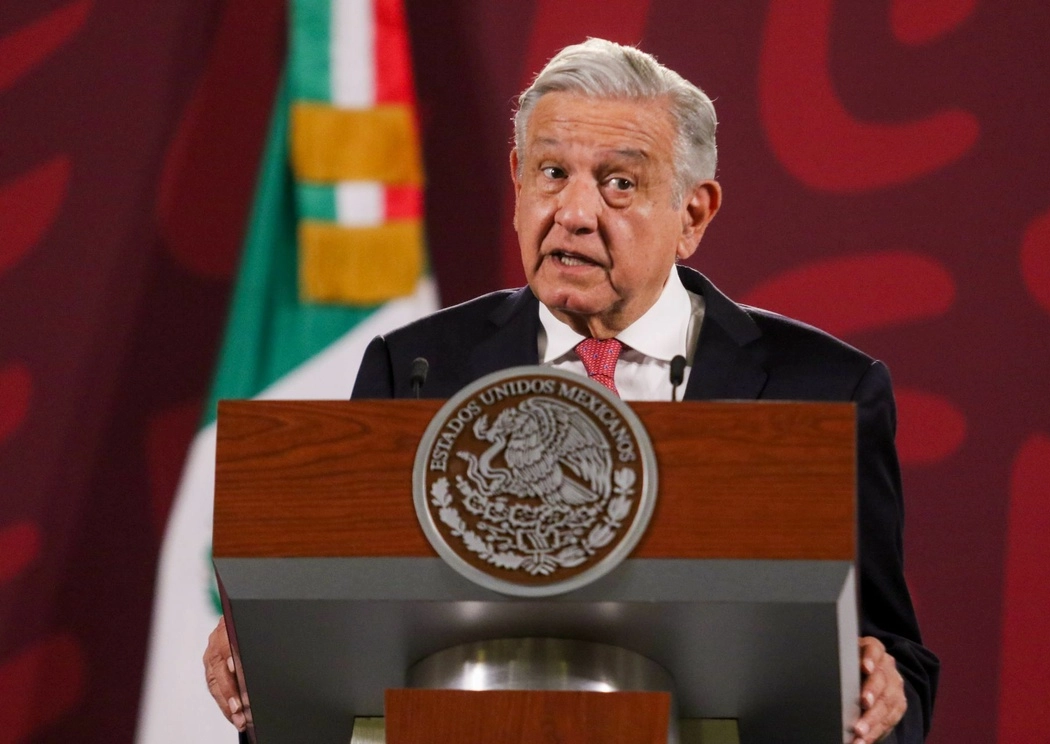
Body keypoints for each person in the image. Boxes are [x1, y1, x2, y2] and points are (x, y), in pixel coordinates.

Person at [204, 38, 939, 743]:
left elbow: (895, 658)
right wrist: (262, 649)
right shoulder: (418, 369)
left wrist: (880, 692)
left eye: (619, 183)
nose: (575, 213)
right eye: (552, 173)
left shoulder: (823, 391)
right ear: (518, 182)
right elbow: (349, 615)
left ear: (692, 214)